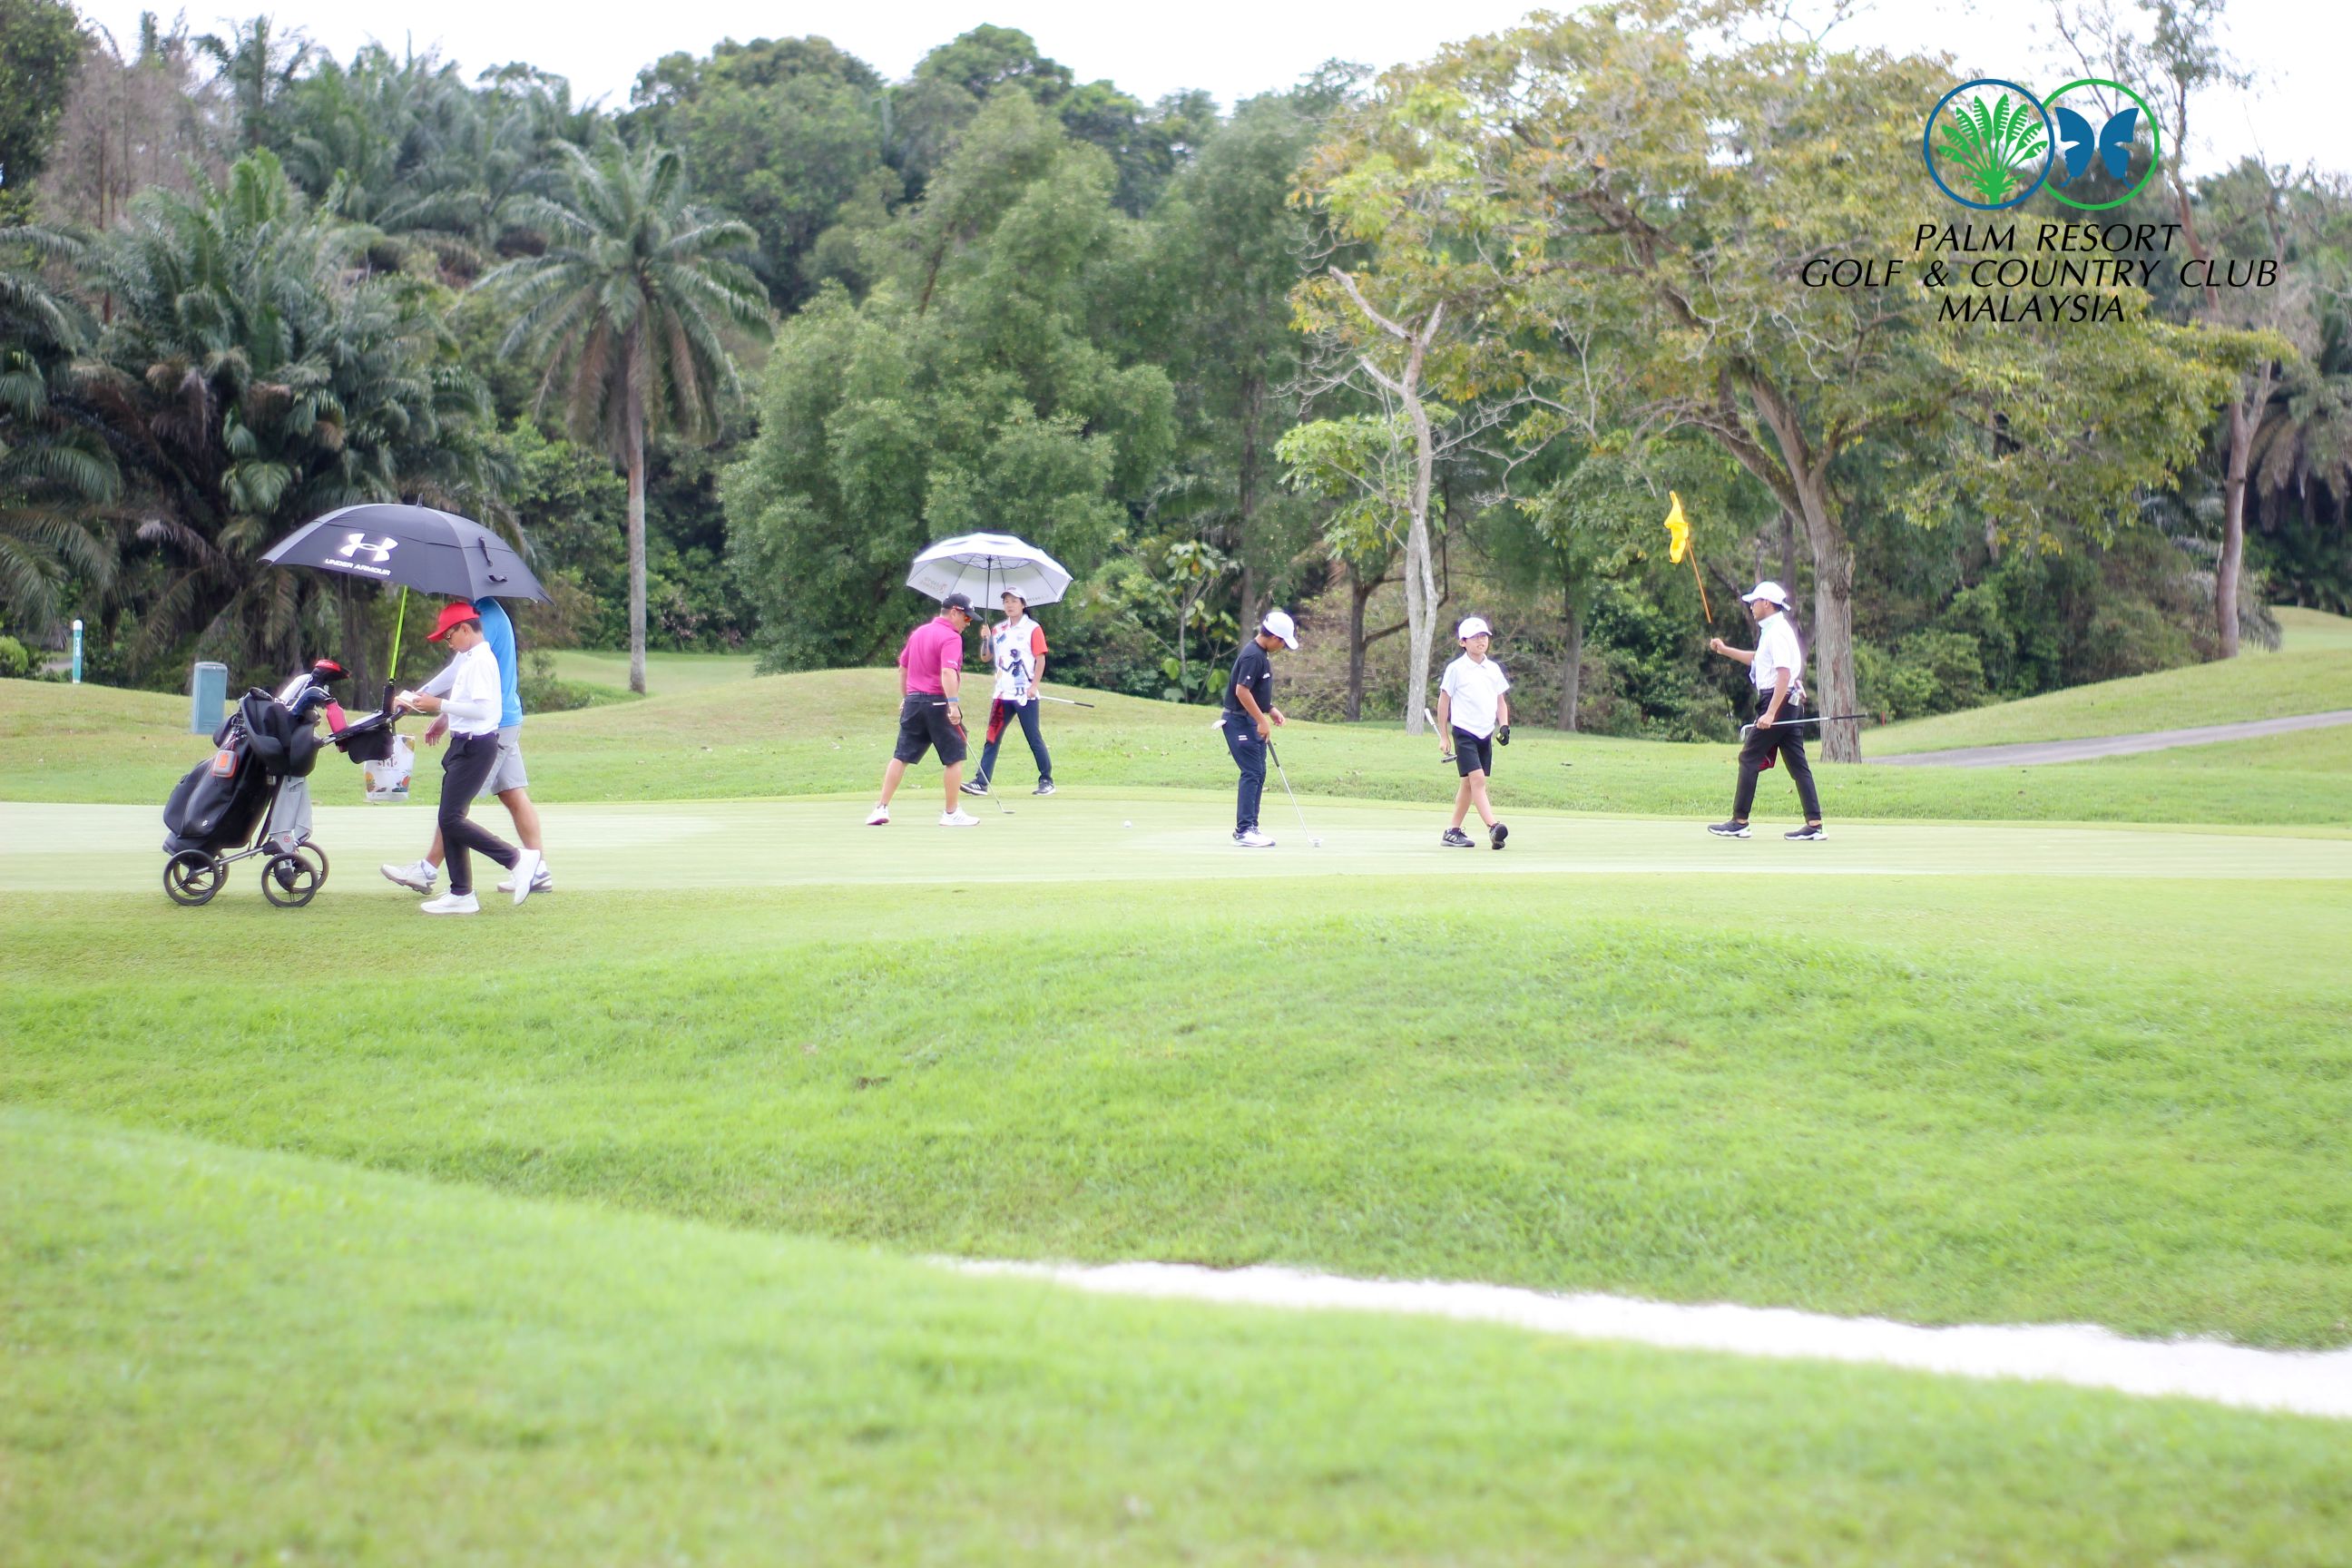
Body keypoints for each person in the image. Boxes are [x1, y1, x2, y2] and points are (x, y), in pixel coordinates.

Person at [380, 596, 550, 897]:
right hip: (503, 718)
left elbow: (461, 673)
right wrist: (445, 717)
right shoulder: (483, 612)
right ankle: (538, 870)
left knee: (455, 806)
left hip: (491, 727)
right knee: (511, 792)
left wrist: (420, 699)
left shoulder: (484, 618)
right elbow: (466, 683)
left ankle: (430, 870)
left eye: (449, 636)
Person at [1706, 580, 1826, 841]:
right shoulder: (1773, 630)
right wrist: (1725, 650)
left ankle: (1739, 821)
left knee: (1749, 758)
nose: (1751, 606)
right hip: (1787, 702)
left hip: (1778, 702)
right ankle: (1814, 824)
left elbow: (1783, 674)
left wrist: (1771, 713)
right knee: (1797, 764)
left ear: (1767, 604)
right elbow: (1759, 660)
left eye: (1755, 602)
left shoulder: (1777, 632)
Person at [867, 593, 981, 828]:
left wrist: (907, 697)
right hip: (938, 703)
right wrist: (953, 704)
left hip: (914, 704)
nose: (968, 624)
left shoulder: (919, 633)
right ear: (954, 612)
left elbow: (903, 669)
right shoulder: (951, 637)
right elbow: (948, 672)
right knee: (955, 756)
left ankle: (881, 807)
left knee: (901, 756)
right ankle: (951, 813)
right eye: (967, 618)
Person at [962, 588, 1055, 798]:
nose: (1009, 605)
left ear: (1023, 604)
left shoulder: (1032, 628)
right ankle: (981, 782)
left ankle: (1046, 780)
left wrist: (1034, 686)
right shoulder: (998, 629)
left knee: (1033, 737)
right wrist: (985, 639)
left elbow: (1040, 659)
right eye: (1006, 601)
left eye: (1014, 601)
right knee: (992, 738)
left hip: (1024, 695)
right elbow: (986, 657)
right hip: (1002, 694)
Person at [1220, 609, 1296, 848]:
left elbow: (1254, 691)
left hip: (1248, 720)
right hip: (1238, 721)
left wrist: (1269, 709)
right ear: (1274, 637)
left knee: (1259, 772)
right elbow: (1241, 691)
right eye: (1283, 643)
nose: (1283, 647)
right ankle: (1244, 830)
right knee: (1252, 772)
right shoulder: (1253, 655)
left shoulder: (1261, 654)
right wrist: (1261, 721)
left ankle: (1251, 827)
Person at [1435, 615, 1512, 849]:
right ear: (1463, 642)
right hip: (1464, 732)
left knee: (1468, 784)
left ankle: (1452, 831)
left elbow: (1500, 701)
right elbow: (1444, 702)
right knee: (1477, 780)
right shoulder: (1456, 669)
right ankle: (1493, 827)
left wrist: (1504, 725)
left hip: (1484, 734)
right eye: (1475, 637)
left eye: (1484, 636)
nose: (1481, 641)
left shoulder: (1493, 669)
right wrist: (1444, 735)